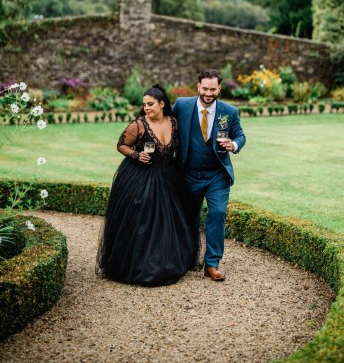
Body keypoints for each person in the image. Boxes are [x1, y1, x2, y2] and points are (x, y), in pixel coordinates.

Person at [96, 84, 196, 287]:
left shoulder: (174, 122)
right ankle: (142, 265)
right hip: (142, 178)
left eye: (150, 104)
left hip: (169, 177)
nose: (146, 108)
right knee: (145, 220)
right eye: (144, 104)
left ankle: (168, 261)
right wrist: (135, 154)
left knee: (170, 221)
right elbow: (121, 145)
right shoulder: (139, 125)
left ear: (162, 104)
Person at [172, 68, 246, 281]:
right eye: (205, 88)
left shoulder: (229, 111)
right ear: (198, 87)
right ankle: (187, 258)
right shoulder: (182, 106)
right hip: (188, 174)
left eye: (213, 89)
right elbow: (164, 123)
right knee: (188, 218)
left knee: (217, 214)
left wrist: (234, 144)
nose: (208, 93)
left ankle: (212, 264)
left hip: (217, 175)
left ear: (219, 89)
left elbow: (240, 135)